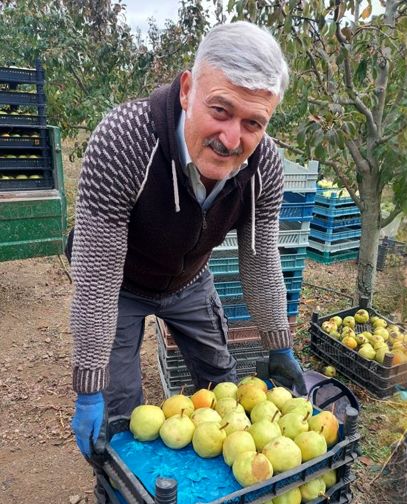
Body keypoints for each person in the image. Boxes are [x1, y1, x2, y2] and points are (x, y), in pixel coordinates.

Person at [68, 22, 307, 463]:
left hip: (188, 280)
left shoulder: (264, 166)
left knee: (223, 383)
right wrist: (87, 387)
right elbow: (96, 278)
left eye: (253, 122)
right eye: (220, 110)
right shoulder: (124, 142)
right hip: (119, 282)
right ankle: (118, 485)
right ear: (186, 90)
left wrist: (280, 343)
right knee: (120, 413)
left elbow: (259, 258)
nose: (232, 139)